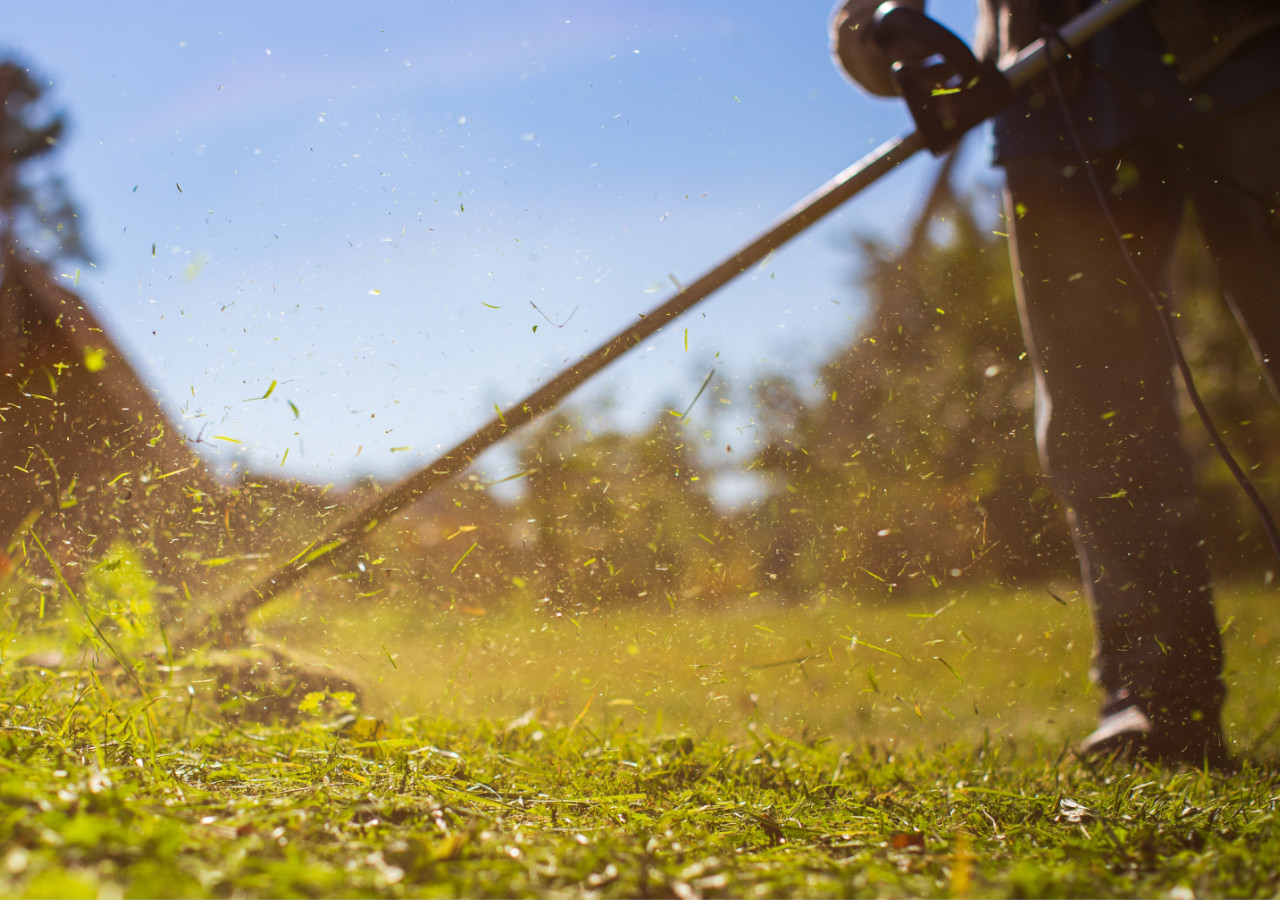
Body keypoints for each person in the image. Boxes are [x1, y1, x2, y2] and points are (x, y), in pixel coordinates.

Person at [831, 0, 1280, 768]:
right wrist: (878, 30)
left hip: (1241, 49)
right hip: (1047, 92)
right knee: (1096, 410)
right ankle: (1156, 703)